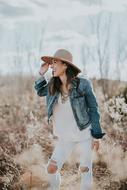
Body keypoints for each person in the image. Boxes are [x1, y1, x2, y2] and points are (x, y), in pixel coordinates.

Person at [34, 49, 105, 190]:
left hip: (84, 134)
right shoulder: (53, 85)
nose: (51, 66)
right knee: (51, 169)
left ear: (65, 65)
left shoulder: (83, 83)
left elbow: (93, 108)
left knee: (85, 171)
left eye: (55, 62)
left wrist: (96, 135)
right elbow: (39, 90)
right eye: (51, 63)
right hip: (65, 137)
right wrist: (41, 74)